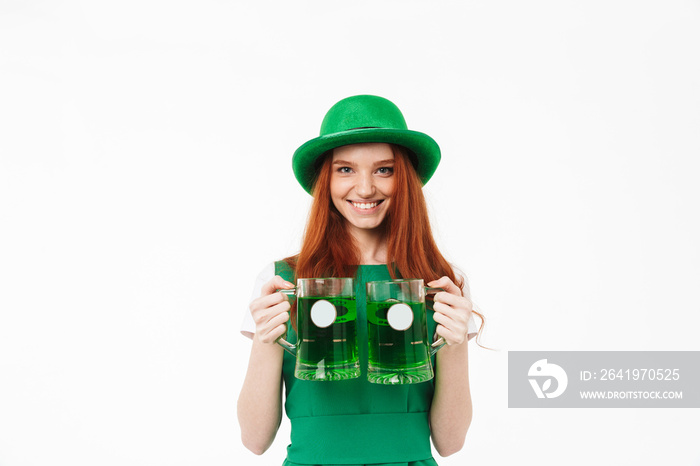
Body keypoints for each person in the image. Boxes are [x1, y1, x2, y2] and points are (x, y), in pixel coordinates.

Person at [237, 95, 484, 466]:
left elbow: (450, 443)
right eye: (346, 170)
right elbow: (255, 440)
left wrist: (456, 345)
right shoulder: (282, 281)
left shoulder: (443, 282)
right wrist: (265, 340)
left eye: (384, 169)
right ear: (326, 179)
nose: (365, 188)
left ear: (406, 178)